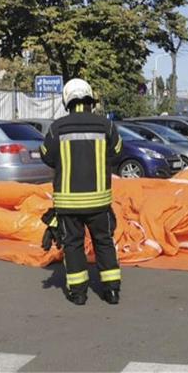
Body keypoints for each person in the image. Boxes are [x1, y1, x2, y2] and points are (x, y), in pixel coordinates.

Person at [39, 78, 123, 305]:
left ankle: (78, 294)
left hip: (68, 203)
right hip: (99, 202)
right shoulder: (106, 125)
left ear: (68, 100)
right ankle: (112, 291)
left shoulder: (57, 127)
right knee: (103, 242)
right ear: (89, 99)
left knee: (73, 245)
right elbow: (117, 151)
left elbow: (46, 155)